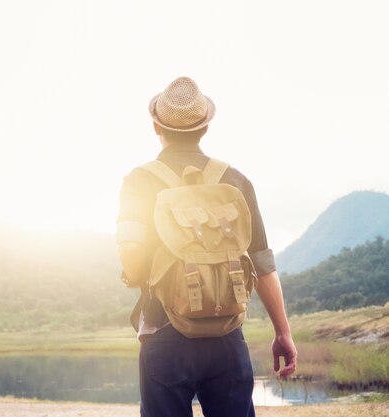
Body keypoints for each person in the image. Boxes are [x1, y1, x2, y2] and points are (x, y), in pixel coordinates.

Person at [116, 76, 297, 417]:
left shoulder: (138, 181)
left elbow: (132, 259)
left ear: (157, 127)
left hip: (163, 329)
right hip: (227, 334)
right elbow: (263, 265)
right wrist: (283, 332)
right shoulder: (236, 180)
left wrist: (138, 273)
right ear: (205, 128)